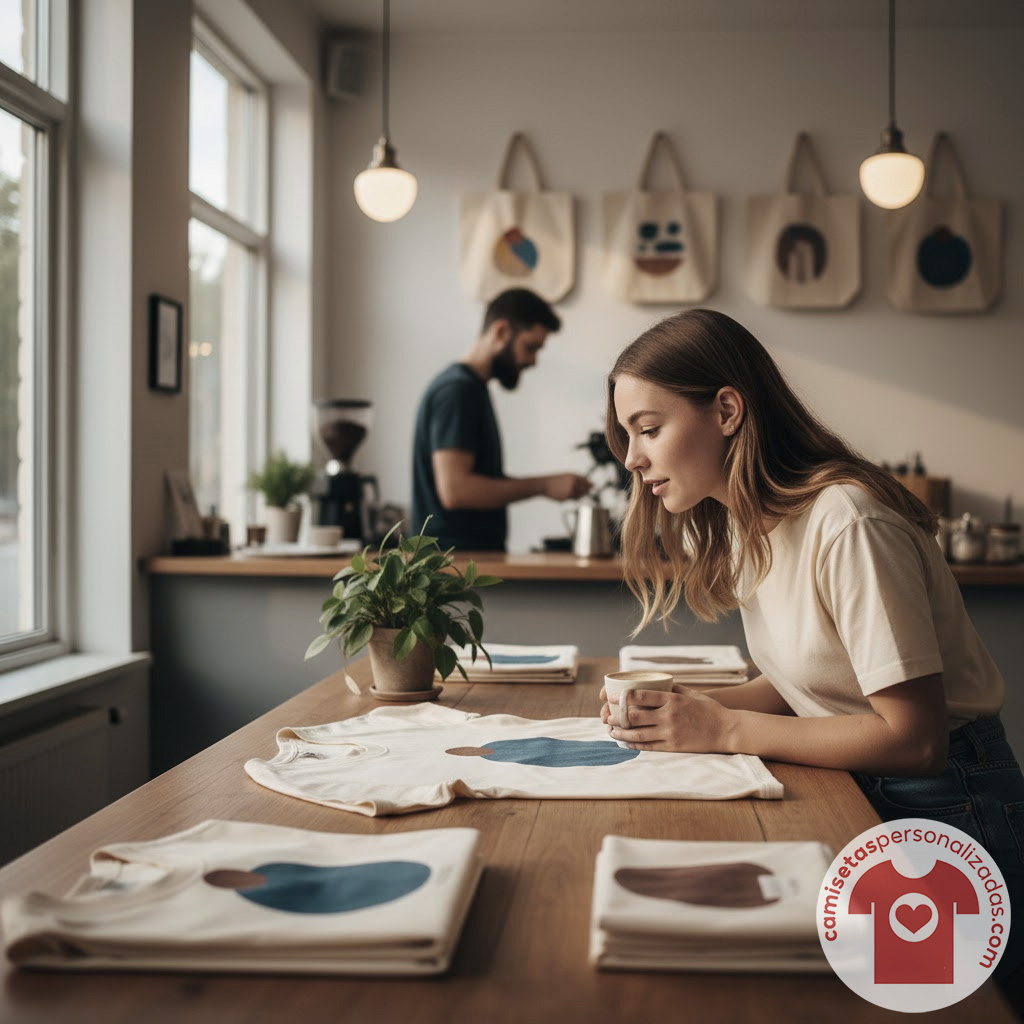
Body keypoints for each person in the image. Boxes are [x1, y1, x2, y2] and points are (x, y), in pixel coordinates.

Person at [600, 307, 1024, 992]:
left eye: (648, 429)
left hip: (948, 800)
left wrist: (725, 726)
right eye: (627, 435)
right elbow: (804, 681)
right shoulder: (750, 522)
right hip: (867, 785)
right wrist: (687, 708)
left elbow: (917, 741)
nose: (631, 457)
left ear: (728, 410)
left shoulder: (847, 523)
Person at [411, 288, 590, 550]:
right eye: (530, 348)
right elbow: (456, 490)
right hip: (450, 566)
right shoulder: (457, 391)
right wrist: (544, 485)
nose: (532, 361)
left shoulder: (470, 389)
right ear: (501, 331)